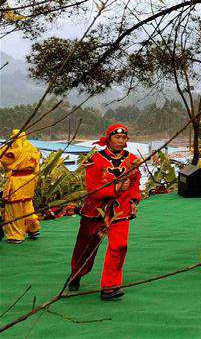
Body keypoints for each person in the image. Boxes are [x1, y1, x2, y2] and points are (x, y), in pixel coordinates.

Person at [68, 124, 141, 300]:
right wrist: (116, 187)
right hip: (96, 210)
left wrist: (133, 200)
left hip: (120, 210)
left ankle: (110, 287)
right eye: (117, 137)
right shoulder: (95, 159)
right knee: (86, 246)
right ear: (108, 138)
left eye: (124, 138)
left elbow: (135, 181)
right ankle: (77, 273)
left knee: (119, 246)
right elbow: (92, 189)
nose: (121, 140)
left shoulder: (132, 160)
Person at [1, 129, 42, 244]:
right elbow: (37, 168)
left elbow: (3, 158)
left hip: (17, 181)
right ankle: (33, 228)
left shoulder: (15, 150)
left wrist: (7, 145)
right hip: (29, 180)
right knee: (27, 206)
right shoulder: (32, 149)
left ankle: (16, 235)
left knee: (14, 208)